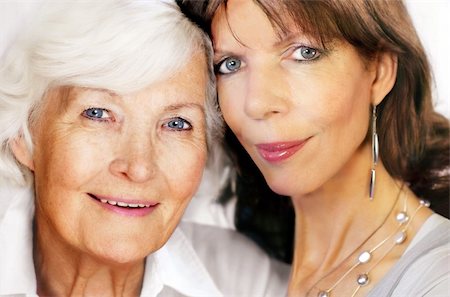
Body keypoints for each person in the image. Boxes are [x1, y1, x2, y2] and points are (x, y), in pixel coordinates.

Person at [0, 1, 289, 296]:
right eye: (98, 113)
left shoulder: (247, 282)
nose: (139, 167)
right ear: (24, 136)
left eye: (176, 124)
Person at [178, 0, 450, 296]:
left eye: (304, 53)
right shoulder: (230, 268)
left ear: (379, 72)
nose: (257, 103)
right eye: (230, 64)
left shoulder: (438, 277)